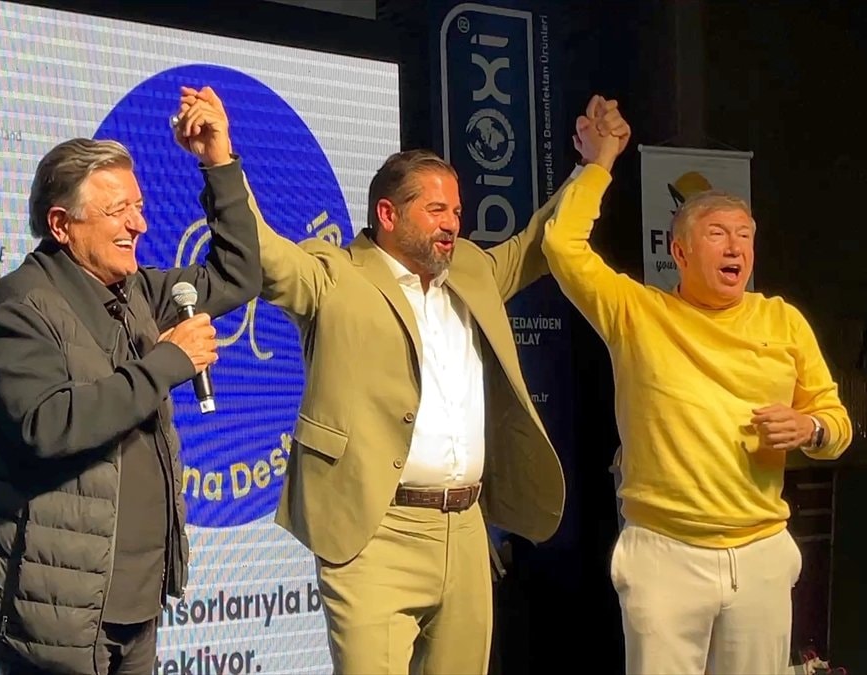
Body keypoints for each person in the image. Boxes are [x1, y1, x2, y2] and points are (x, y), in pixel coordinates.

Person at [250, 99, 606, 673]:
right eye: (436, 209)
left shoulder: (470, 270)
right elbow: (266, 256)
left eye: (456, 211)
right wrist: (221, 163)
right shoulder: (336, 274)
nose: (452, 223)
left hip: (464, 529)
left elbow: (537, 243)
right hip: (376, 533)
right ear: (387, 215)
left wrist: (593, 166)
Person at [541, 96, 853, 674]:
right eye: (717, 234)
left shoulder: (783, 320)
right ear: (679, 251)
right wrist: (601, 163)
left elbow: (837, 426)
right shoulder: (637, 313)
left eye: (745, 235)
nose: (736, 247)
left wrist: (809, 427)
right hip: (665, 553)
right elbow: (563, 247)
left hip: (759, 554)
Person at [0, 87, 260, 675]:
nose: (139, 224)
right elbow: (51, 425)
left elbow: (238, 274)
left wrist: (218, 162)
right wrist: (169, 362)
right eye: (119, 211)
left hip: (133, 605)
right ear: (61, 225)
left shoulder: (137, 292)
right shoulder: (19, 308)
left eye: (138, 208)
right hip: (59, 614)